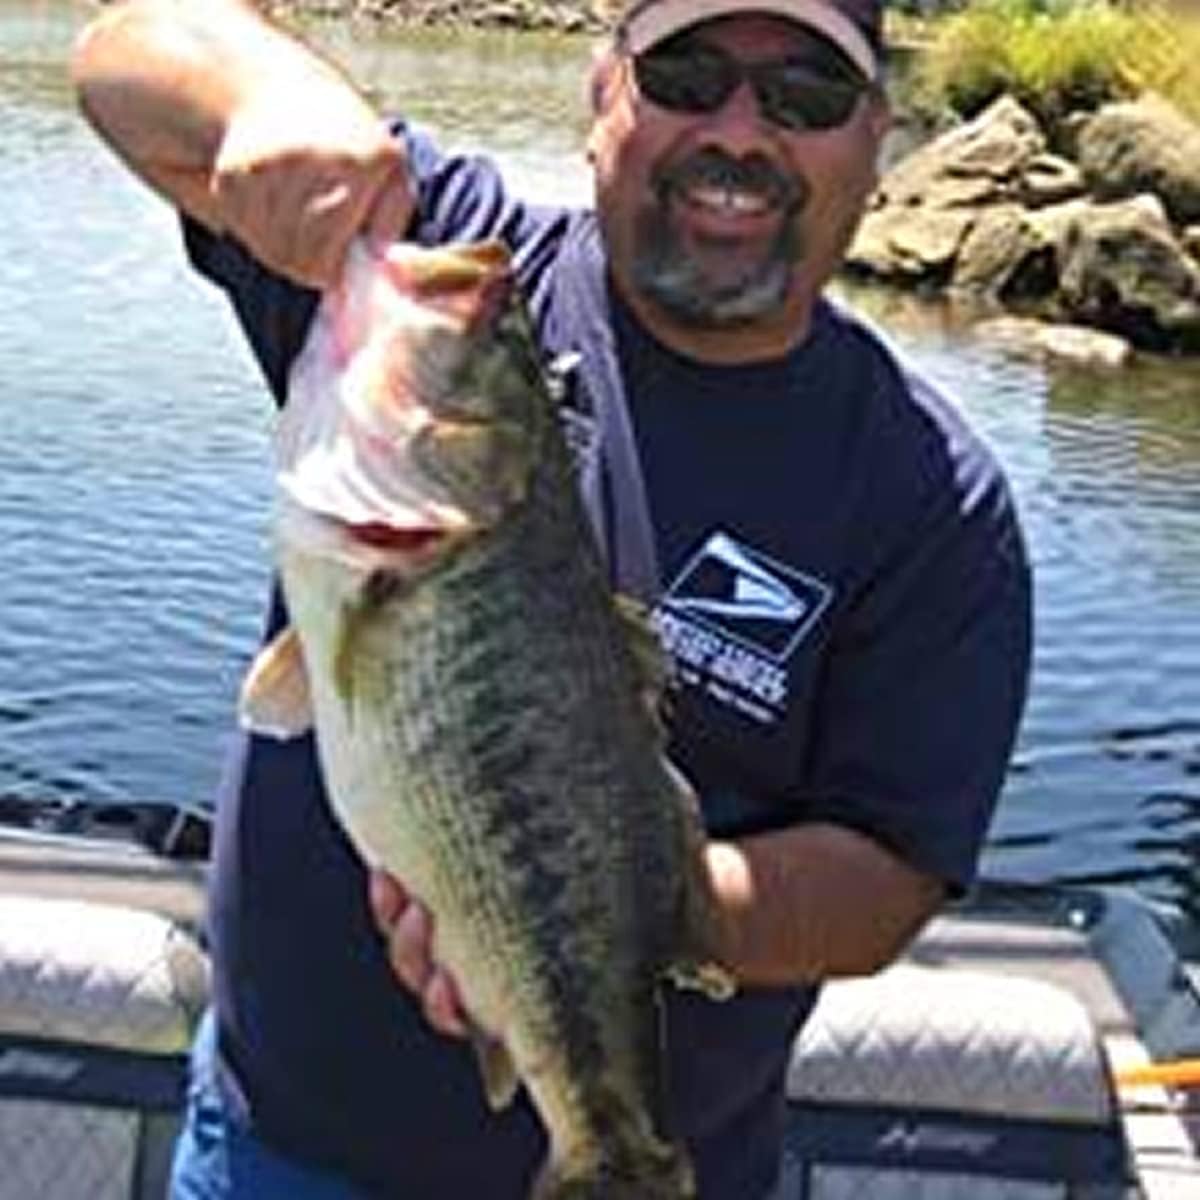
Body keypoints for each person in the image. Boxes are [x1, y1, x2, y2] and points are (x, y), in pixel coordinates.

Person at [71, 0, 1033, 1196]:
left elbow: (889, 876)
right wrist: (269, 94)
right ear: (602, 93)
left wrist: (607, 905)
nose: (739, 132)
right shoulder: (452, 278)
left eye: (806, 96)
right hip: (280, 1149)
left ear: (877, 138)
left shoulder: (933, 504)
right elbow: (124, 56)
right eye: (686, 75)